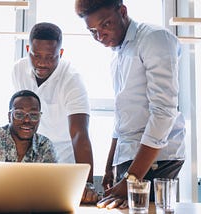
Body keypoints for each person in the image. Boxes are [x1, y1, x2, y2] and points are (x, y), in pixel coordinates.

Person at [75, 0, 186, 209]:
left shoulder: (154, 38)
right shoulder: (117, 54)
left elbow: (163, 112)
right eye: (93, 31)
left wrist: (132, 179)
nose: (100, 36)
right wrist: (109, 166)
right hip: (128, 158)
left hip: (156, 158)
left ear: (123, 12)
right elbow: (122, 119)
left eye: (105, 24)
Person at [11, 22, 98, 204]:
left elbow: (79, 134)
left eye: (50, 57)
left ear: (61, 53)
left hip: (64, 162)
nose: (42, 63)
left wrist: (88, 183)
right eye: (36, 56)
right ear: (28, 49)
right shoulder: (18, 70)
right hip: (31, 162)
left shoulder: (72, 79)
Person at [0, 90, 58, 193]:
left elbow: (51, 191)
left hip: (32, 208)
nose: (26, 120)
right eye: (19, 114)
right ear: (9, 116)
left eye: (34, 115)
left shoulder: (45, 146)